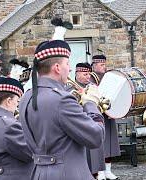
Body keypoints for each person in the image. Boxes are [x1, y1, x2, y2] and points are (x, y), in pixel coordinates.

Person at [19, 39, 105, 180]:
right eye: (67, 64)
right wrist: (91, 103)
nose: (69, 69)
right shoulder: (62, 100)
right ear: (57, 67)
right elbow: (96, 137)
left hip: (39, 173)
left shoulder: (26, 97)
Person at [0, 77, 33, 180]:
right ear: (8, 101)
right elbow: (31, 153)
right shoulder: (9, 125)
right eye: (17, 101)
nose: (18, 105)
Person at [90, 55, 120, 180]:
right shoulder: (91, 78)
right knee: (99, 143)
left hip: (108, 113)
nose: (104, 67)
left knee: (109, 142)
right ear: (95, 65)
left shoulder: (108, 76)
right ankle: (99, 171)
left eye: (104, 64)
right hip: (96, 115)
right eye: (102, 65)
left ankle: (108, 170)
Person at [74, 62, 106, 179]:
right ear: (77, 74)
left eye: (89, 74)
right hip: (80, 127)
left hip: (93, 124)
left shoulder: (93, 86)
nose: (88, 77)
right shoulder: (69, 88)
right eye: (85, 74)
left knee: (95, 161)